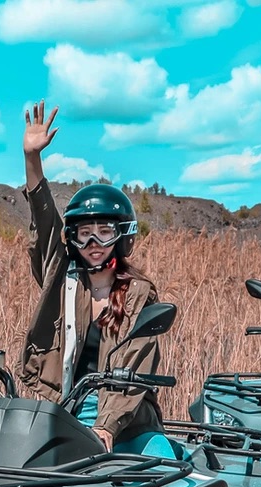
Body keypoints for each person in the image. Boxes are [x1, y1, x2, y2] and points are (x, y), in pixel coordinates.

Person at [18, 101, 165, 450]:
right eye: (84, 233)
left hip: (127, 422)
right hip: (65, 411)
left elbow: (135, 359)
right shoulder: (62, 279)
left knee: (161, 463)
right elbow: (43, 221)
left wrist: (107, 427)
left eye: (104, 231)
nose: (94, 242)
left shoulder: (138, 291)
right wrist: (31, 159)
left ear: (122, 235)